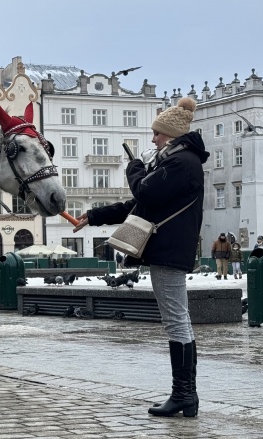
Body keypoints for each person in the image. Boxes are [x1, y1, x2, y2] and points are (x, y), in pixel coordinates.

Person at [73, 97, 207, 417]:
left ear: (171, 136)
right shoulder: (173, 162)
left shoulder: (182, 163)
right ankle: (185, 394)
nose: (153, 139)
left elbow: (143, 193)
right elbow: (138, 208)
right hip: (168, 248)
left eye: (157, 134)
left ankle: (184, 394)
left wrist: (134, 169)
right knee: (177, 320)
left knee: (176, 320)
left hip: (169, 250)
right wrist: (94, 216)